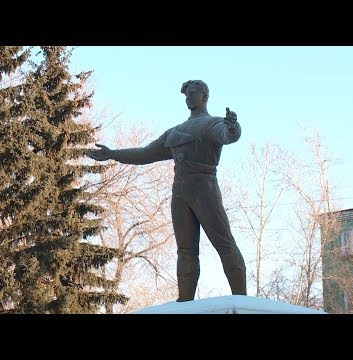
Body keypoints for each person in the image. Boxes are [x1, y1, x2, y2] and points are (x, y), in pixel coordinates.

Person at [85, 80, 246, 302]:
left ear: (204, 96)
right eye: (186, 94)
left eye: (192, 93)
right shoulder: (175, 132)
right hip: (180, 193)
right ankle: (184, 303)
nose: (188, 97)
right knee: (186, 250)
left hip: (205, 188)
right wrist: (113, 154)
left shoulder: (212, 124)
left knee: (224, 243)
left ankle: (243, 300)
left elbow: (228, 136)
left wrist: (233, 126)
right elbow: (145, 154)